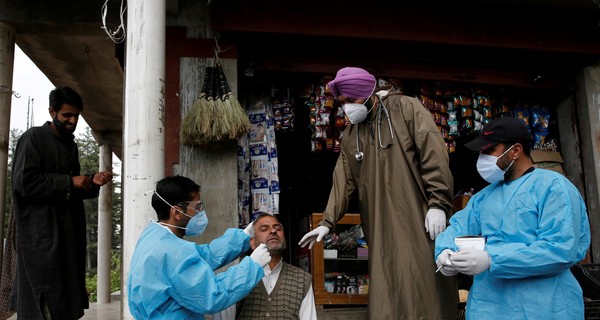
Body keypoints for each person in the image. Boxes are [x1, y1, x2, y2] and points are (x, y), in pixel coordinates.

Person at [299, 67, 458, 319]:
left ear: (368, 92)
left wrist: (438, 203)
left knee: (425, 283)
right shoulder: (352, 134)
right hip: (380, 226)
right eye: (342, 103)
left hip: (420, 217)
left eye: (351, 100)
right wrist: (328, 221)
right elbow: (344, 179)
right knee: (388, 287)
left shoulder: (406, 108)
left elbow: (433, 154)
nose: (346, 108)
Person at [434, 116, 591, 319]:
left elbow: (560, 249)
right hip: (489, 307)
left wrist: (492, 259)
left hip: (543, 307)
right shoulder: (483, 198)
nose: (482, 158)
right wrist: (445, 250)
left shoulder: (553, 187)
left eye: (489, 151)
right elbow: (458, 227)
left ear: (516, 150)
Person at [10, 86, 113, 319]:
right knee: (44, 301)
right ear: (52, 112)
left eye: (76, 115)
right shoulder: (33, 138)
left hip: (67, 236)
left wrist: (91, 182)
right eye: (67, 115)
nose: (72, 120)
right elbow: (24, 183)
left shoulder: (70, 146)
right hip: (42, 236)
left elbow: (72, 189)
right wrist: (69, 182)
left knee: (66, 301)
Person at [127, 175, 272, 319]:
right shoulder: (173, 251)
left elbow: (202, 256)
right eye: (197, 207)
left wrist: (244, 236)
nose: (201, 213)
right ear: (177, 212)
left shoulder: (154, 234)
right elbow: (212, 296)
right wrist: (252, 266)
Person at [214, 213, 317, 320]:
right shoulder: (235, 278)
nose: (273, 231)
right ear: (252, 243)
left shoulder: (302, 279)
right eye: (264, 229)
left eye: (278, 228)